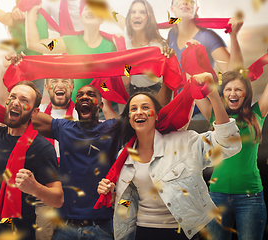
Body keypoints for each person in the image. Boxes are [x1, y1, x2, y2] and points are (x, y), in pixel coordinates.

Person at [97, 72, 242, 240]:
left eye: (145, 107)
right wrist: (115, 195)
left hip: (182, 233)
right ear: (129, 118)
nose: (139, 112)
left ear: (157, 115)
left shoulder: (183, 142)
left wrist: (214, 96)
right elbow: (129, 204)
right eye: (133, 109)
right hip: (144, 233)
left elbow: (229, 144)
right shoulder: (125, 158)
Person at [0, 81, 64, 240]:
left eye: (24, 100)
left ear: (34, 112)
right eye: (12, 97)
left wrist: (35, 188)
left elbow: (58, 199)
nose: (15, 102)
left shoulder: (41, 148)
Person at [32, 85, 122, 240]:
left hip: (102, 225)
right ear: (76, 104)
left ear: (100, 104)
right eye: (80, 95)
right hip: (66, 225)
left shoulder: (113, 128)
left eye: (91, 94)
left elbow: (156, 119)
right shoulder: (64, 128)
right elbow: (24, 115)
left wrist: (167, 75)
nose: (85, 97)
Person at [196, 71, 268, 240]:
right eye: (228, 89)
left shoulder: (257, 113)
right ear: (222, 93)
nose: (233, 93)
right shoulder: (214, 115)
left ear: (246, 94)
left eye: (238, 89)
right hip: (216, 196)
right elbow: (192, 86)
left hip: (251, 198)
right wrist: (196, 65)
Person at [26, 4, 117, 103]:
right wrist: (30, 10)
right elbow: (34, 44)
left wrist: (121, 45)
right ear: (81, 17)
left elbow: (125, 77)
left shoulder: (113, 45)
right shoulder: (70, 41)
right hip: (78, 109)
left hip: (106, 110)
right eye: (86, 9)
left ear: (102, 19)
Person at [34, 77, 77, 240]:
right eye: (54, 81)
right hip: (46, 184)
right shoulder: (37, 111)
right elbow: (6, 106)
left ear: (72, 86)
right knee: (44, 234)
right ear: (46, 87)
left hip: (75, 186)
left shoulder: (82, 113)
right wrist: (7, 69)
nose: (59, 85)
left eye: (65, 81)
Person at [0, 0, 48, 103]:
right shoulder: (15, 18)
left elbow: (54, 42)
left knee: (33, 106)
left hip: (39, 70)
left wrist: (51, 47)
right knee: (15, 105)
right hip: (20, 68)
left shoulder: (45, 17)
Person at [113, 0, 174, 106]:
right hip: (133, 91)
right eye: (133, 12)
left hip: (154, 92)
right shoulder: (127, 37)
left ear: (148, 18)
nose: (137, 15)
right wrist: (121, 50)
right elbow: (126, 80)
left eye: (143, 12)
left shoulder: (157, 46)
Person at [168, 0, 243, 72]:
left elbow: (233, 72)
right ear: (172, 8)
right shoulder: (172, 33)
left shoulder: (208, 37)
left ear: (196, 9)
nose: (184, 2)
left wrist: (233, 36)